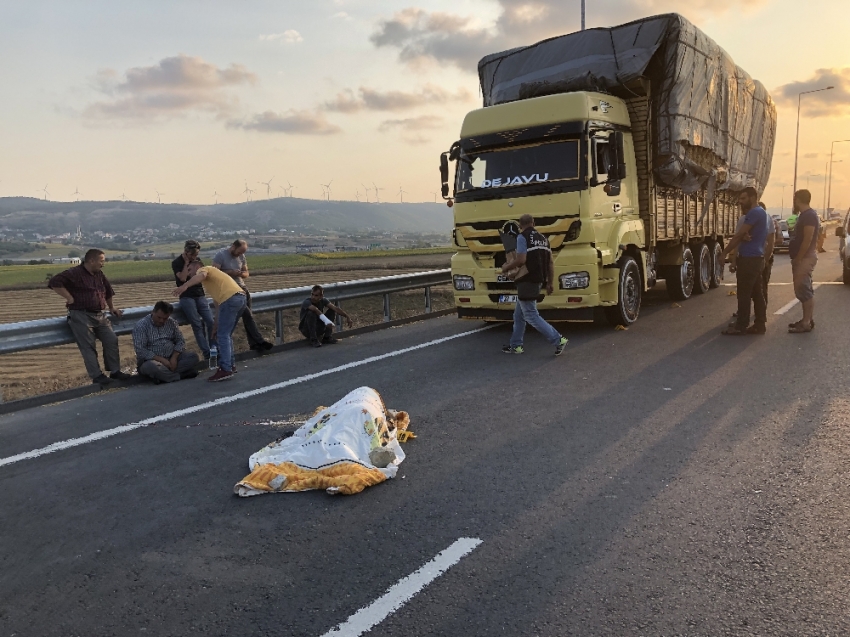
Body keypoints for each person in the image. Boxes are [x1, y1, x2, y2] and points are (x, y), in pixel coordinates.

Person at [48, 248, 131, 385]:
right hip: (81, 315)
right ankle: (97, 376)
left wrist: (111, 307)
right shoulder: (74, 273)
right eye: (101, 261)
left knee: (111, 339)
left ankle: (115, 371)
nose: (103, 264)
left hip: (99, 314)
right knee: (88, 346)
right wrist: (69, 297)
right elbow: (54, 282)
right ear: (91, 260)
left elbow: (108, 291)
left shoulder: (99, 274)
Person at [500, 214, 568, 355]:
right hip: (538, 280)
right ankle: (516, 345)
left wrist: (506, 268)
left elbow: (521, 259)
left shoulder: (521, 237)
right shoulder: (544, 239)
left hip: (526, 279)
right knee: (519, 315)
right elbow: (550, 263)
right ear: (533, 223)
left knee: (531, 315)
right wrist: (550, 282)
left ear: (520, 225)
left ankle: (558, 339)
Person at [172, 261, 246, 382]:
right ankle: (230, 365)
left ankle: (225, 368)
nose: (189, 273)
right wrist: (215, 327)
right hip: (240, 298)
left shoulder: (206, 269)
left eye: (190, 270)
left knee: (223, 336)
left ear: (197, 267)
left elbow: (201, 275)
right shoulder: (214, 282)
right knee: (225, 335)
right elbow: (218, 307)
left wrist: (185, 285)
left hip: (231, 299)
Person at [721, 188, 769, 335]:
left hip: (749, 259)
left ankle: (741, 325)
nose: (740, 202)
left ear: (753, 197)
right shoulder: (762, 213)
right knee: (757, 292)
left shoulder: (754, 213)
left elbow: (739, 235)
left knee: (744, 293)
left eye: (743, 198)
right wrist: (743, 236)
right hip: (757, 258)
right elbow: (745, 235)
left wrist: (724, 253)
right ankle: (760, 324)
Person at [212, 239, 274, 352]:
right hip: (231, 292)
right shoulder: (220, 255)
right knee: (247, 315)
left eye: (242, 252)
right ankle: (259, 341)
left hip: (242, 289)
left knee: (248, 317)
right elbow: (214, 274)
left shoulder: (241, 257)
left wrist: (241, 273)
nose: (240, 254)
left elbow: (246, 273)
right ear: (233, 246)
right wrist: (231, 272)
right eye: (239, 251)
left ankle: (254, 344)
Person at [133, 301, 200, 384]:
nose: (161, 321)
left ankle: (163, 377)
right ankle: (180, 375)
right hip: (152, 361)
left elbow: (180, 341)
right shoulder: (141, 326)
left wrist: (174, 357)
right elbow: (140, 350)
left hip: (171, 357)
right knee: (152, 367)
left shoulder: (172, 323)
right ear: (153, 312)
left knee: (193, 356)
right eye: (159, 317)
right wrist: (161, 360)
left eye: (165, 318)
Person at [172, 240, 215, 359]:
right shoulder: (176, 262)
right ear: (186, 252)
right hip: (186, 296)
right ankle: (206, 353)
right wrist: (186, 263)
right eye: (192, 255)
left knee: (211, 321)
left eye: (196, 254)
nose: (195, 257)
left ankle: (214, 349)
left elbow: (202, 276)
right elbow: (182, 278)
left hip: (200, 294)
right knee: (196, 324)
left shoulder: (198, 261)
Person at [787, 189, 820, 333]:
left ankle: (806, 322)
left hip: (805, 258)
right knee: (803, 289)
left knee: (804, 290)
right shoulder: (804, 215)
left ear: (797, 199)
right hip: (803, 257)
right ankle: (807, 319)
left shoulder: (809, 216)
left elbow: (807, 239)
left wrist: (799, 258)